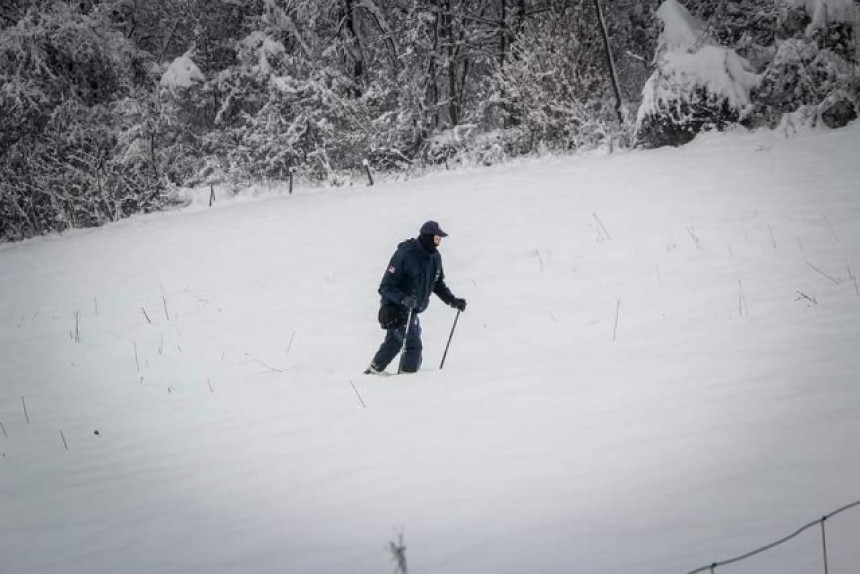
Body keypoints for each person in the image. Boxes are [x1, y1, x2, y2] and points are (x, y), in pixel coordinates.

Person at [365, 220, 467, 374]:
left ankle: (372, 373)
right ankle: (409, 380)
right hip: (395, 309)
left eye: (439, 239)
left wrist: (452, 301)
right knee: (413, 345)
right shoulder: (404, 255)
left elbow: (437, 284)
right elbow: (385, 286)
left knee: (393, 343)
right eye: (436, 238)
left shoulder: (435, 258)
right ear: (427, 237)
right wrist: (403, 299)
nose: (438, 242)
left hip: (412, 310)